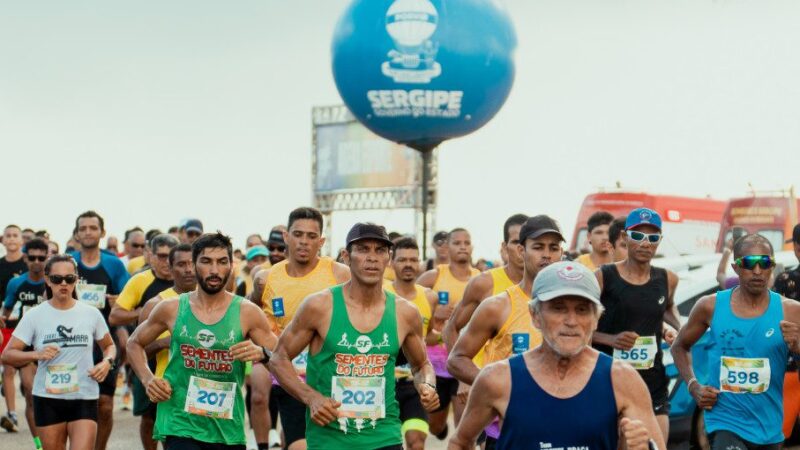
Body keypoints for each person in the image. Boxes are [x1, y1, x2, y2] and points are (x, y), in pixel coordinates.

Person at [448, 261, 666, 450]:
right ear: (535, 315)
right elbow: (460, 442)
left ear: (596, 319)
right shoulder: (498, 379)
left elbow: (652, 445)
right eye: (558, 308)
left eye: (582, 310)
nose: (571, 321)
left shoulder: (621, 380)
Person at [269, 222, 439, 450]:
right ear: (346, 256)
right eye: (363, 249)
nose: (372, 257)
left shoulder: (405, 312)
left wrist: (427, 385)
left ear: (388, 258)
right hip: (330, 439)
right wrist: (312, 398)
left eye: (380, 250)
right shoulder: (320, 306)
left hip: (384, 436)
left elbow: (421, 365)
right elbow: (278, 359)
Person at [127, 232, 277, 450]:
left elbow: (281, 357)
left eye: (222, 262)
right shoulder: (172, 308)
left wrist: (263, 353)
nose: (214, 270)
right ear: (194, 265)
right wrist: (148, 379)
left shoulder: (247, 312)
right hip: (179, 421)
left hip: (226, 427)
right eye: (206, 262)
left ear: (231, 266)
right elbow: (133, 343)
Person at [672, 234, 800, 449]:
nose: (757, 270)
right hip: (725, 421)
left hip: (769, 427)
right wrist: (694, 386)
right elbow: (679, 347)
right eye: (749, 264)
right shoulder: (709, 306)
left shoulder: (791, 311)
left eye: (765, 263)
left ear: (772, 266)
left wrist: (797, 348)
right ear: (735, 267)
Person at [447, 215, 563, 448]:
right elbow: (456, 359)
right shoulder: (498, 305)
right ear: (521, 250)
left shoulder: (575, 308)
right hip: (506, 432)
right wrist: (495, 387)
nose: (547, 255)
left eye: (554, 248)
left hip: (559, 428)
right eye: (538, 247)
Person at [1, 254, 117, 450]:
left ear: (76, 279)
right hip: (48, 399)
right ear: (47, 280)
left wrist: (106, 362)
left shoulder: (91, 314)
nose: (63, 283)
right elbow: (7, 355)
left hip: (84, 395)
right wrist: (36, 355)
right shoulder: (34, 316)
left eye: (69, 279)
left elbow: (109, 345)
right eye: (56, 279)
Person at [259, 207, 350, 450]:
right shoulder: (266, 278)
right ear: (286, 236)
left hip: (333, 380)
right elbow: (248, 315)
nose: (304, 242)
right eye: (298, 234)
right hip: (289, 379)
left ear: (321, 241)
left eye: (312, 236)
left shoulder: (340, 274)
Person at [591, 208, 680, 442]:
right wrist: (610, 339)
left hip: (653, 383)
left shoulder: (667, 278)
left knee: (658, 445)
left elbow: (666, 307)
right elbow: (579, 330)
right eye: (638, 236)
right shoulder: (603, 276)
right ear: (624, 236)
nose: (645, 243)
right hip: (609, 382)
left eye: (652, 238)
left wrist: (672, 328)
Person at [69, 210, 130, 450]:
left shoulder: (113, 264)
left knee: (104, 404)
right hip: (71, 341)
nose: (87, 232)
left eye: (92, 228)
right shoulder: (68, 261)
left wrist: (118, 301)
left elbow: (128, 299)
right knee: (75, 403)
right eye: (82, 228)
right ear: (76, 234)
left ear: (102, 232)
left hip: (104, 339)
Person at [417, 228, 479, 438]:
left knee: (463, 428)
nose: (462, 246)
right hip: (436, 364)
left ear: (472, 247)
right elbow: (408, 300)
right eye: (457, 242)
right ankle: (440, 430)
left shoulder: (481, 280)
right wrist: (434, 310)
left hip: (468, 359)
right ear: (447, 247)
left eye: (466, 242)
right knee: (434, 426)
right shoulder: (434, 276)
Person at [133, 243, 196, 450]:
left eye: (192, 263)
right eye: (181, 264)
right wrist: (163, 343)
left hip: (208, 389)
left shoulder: (219, 301)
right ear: (171, 268)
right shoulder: (157, 304)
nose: (188, 269)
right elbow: (136, 346)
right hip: (171, 391)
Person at [443, 214, 528, 365]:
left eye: (528, 241)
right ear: (504, 247)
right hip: (488, 381)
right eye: (516, 242)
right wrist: (463, 375)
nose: (522, 248)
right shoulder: (484, 283)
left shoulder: (549, 286)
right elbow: (451, 328)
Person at [383, 237, 440, 450]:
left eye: (413, 260)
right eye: (402, 259)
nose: (408, 264)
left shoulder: (429, 297)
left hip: (413, 383)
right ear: (391, 262)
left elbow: (429, 335)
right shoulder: (381, 291)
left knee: (416, 443)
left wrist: (444, 335)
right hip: (383, 384)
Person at [2, 238, 48, 444]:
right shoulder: (16, 283)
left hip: (54, 346)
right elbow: (6, 311)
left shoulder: (55, 281)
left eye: (41, 257)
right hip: (28, 348)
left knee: (52, 397)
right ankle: (39, 444)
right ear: (25, 258)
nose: (37, 262)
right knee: (30, 392)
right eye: (32, 258)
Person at [0, 224, 28, 432]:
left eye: (15, 236)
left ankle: (35, 409)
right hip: (6, 325)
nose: (11, 239)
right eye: (7, 236)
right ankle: (12, 413)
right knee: (8, 369)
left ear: (21, 240)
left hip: (28, 326)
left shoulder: (29, 264)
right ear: (2, 240)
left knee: (29, 375)